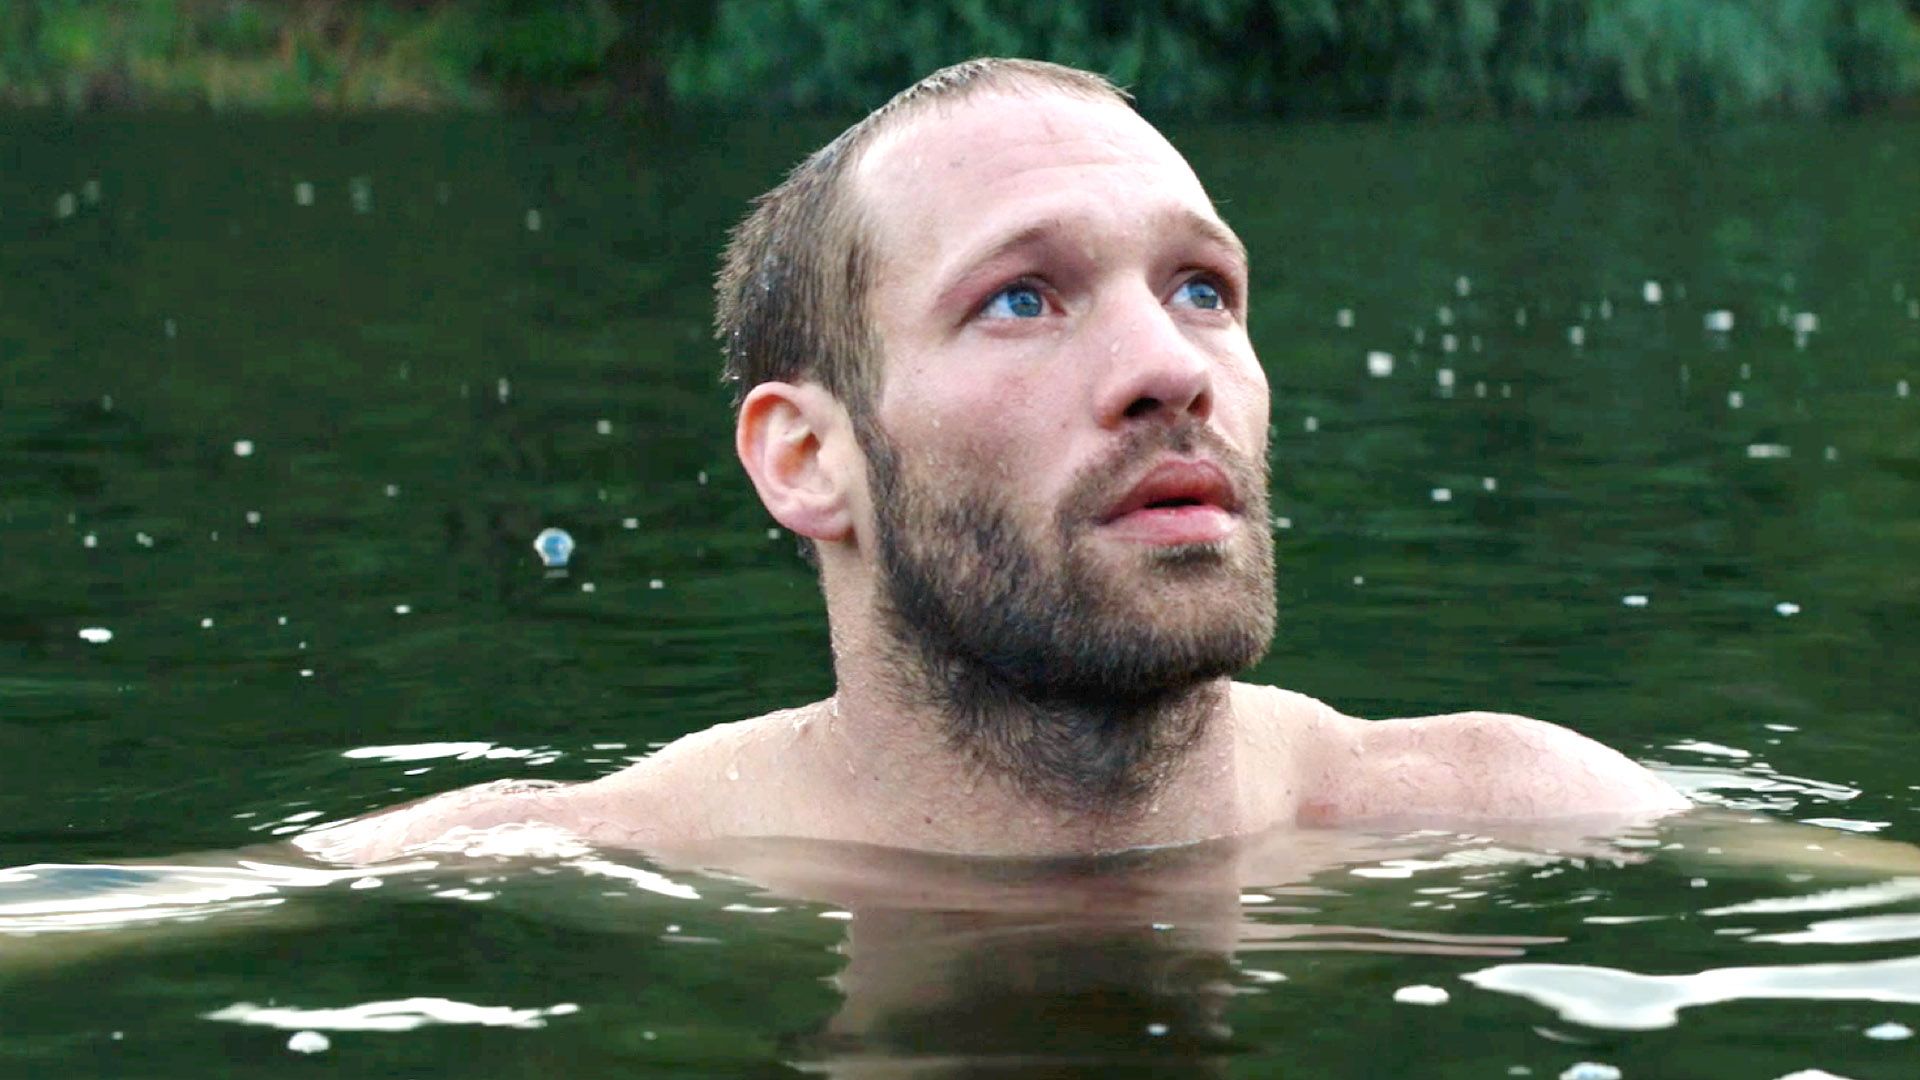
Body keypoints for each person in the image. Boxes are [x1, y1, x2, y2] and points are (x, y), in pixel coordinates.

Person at [299, 58, 1687, 867]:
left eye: (1203, 289)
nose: (1172, 366)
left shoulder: (1524, 810)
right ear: (805, 459)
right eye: (1022, 298)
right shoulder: (564, 858)